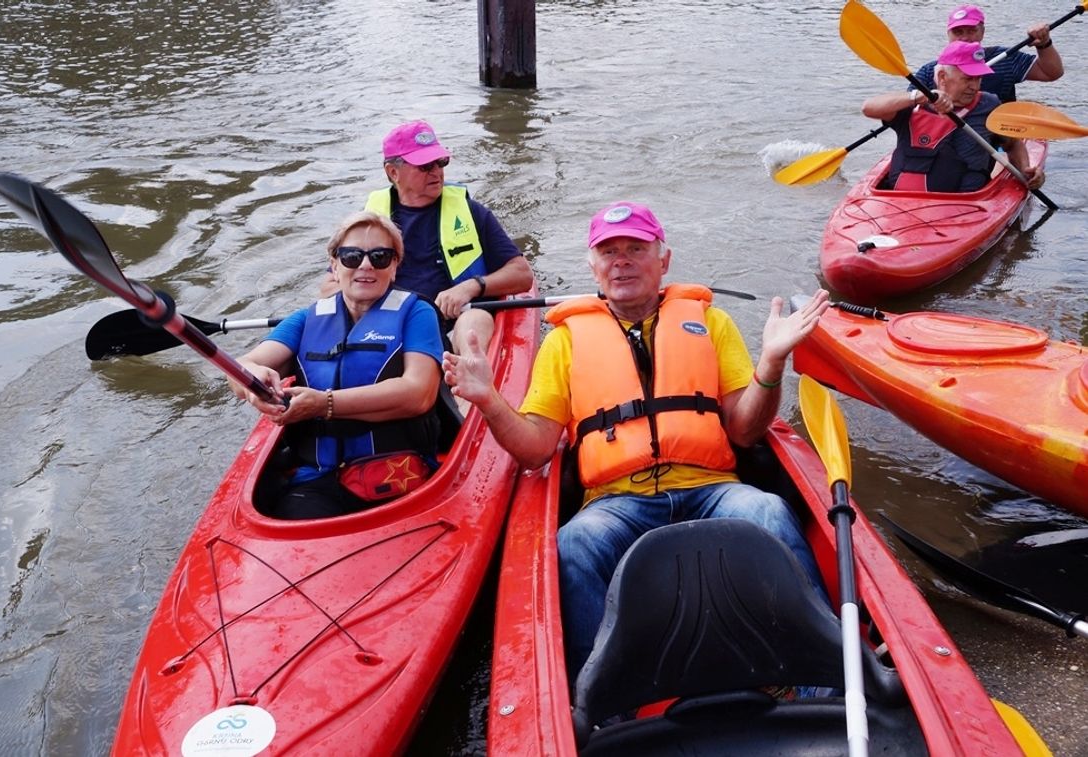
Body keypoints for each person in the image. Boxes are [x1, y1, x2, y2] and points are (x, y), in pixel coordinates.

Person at [443, 201, 831, 680]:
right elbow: (537, 448)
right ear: (593, 266)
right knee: (574, 543)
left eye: (635, 248)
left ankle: (821, 675)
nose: (621, 260)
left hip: (711, 489)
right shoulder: (565, 341)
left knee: (769, 510)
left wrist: (771, 365)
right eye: (609, 251)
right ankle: (601, 702)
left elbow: (745, 430)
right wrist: (488, 399)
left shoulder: (711, 323)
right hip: (615, 501)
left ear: (663, 260)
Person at [231, 211, 445, 520]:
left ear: (395, 267)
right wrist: (251, 384)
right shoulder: (306, 320)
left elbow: (419, 393)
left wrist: (324, 404)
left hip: (398, 475)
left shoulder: (417, 313)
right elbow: (243, 366)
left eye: (381, 257)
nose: (366, 265)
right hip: (317, 480)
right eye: (352, 256)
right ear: (335, 265)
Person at [322, 120, 534, 357]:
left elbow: (522, 275)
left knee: (474, 322)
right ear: (393, 172)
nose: (436, 171)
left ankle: (466, 387)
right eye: (424, 165)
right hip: (391, 326)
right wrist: (370, 304)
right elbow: (329, 287)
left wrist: (471, 287)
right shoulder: (367, 223)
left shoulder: (472, 213)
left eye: (440, 162)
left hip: (456, 322)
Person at [864, 40, 1044, 193]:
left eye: (978, 78)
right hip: (898, 202)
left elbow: (1013, 145)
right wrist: (917, 96)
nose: (975, 86)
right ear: (942, 77)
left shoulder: (989, 106)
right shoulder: (915, 103)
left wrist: (1026, 170)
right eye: (968, 79)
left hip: (966, 206)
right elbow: (869, 108)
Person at [910, 4, 1064, 103]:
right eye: (958, 32)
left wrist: (1044, 44)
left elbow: (1051, 73)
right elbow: (903, 107)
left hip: (1001, 139)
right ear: (948, 34)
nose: (964, 38)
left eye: (971, 31)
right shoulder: (930, 71)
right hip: (947, 137)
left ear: (982, 32)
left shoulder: (1004, 58)